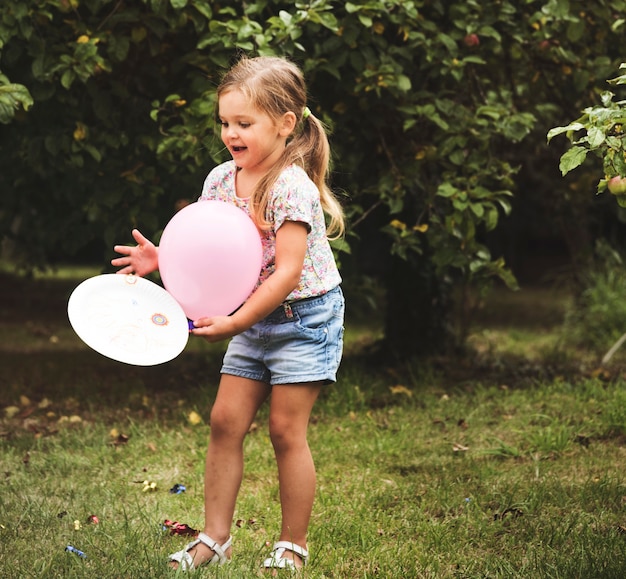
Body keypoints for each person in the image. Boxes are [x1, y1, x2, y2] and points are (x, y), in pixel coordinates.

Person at [111, 55, 345, 572]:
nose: (231, 134)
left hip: (303, 319)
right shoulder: (220, 180)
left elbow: (285, 272)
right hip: (251, 317)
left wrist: (237, 323)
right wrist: (161, 259)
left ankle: (292, 545)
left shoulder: (291, 186)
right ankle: (214, 538)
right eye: (225, 122)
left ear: (286, 124)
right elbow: (208, 249)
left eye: (244, 123)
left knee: (286, 431)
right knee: (223, 422)